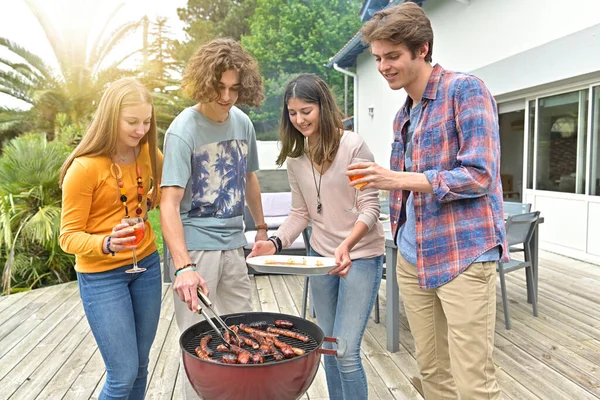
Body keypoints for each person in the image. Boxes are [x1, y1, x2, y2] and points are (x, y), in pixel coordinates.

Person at [350, 3, 509, 400]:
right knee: (432, 372)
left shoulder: (465, 90)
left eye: (392, 56)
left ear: (421, 49)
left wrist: (395, 179)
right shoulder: (403, 115)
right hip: (411, 257)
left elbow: (481, 174)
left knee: (473, 380)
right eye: (378, 58)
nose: (384, 66)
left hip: (463, 257)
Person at [248, 73, 385, 400]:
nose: (299, 119)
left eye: (306, 111)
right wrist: (275, 243)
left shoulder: (353, 145)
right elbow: (300, 213)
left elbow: (370, 207)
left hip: (361, 257)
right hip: (321, 259)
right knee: (327, 346)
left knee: (347, 351)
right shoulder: (296, 158)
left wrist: (347, 244)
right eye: (292, 113)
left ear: (323, 106)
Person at [160, 38, 266, 399]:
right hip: (197, 252)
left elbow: (249, 178)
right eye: (219, 87)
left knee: (244, 336)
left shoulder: (243, 122)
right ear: (203, 82)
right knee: (200, 344)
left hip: (234, 245)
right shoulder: (182, 131)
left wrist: (262, 229)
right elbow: (169, 204)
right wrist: (182, 266)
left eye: (234, 88)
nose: (226, 96)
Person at [59, 77, 163, 400]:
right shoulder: (84, 168)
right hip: (101, 276)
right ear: (110, 118)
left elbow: (160, 197)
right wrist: (106, 242)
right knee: (122, 376)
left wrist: (147, 206)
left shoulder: (149, 154)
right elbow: (68, 237)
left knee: (142, 366)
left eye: (146, 121)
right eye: (132, 122)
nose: (141, 130)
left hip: (145, 264)